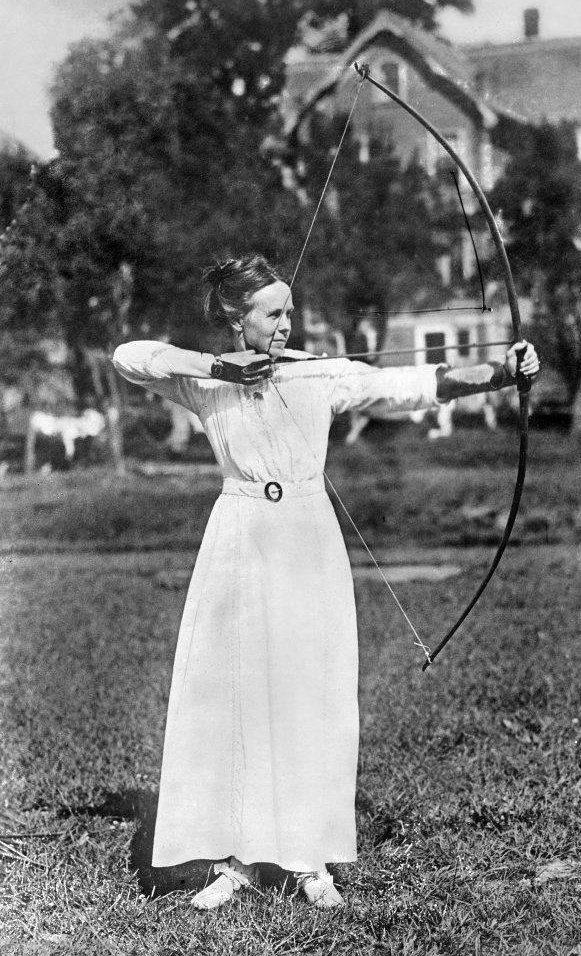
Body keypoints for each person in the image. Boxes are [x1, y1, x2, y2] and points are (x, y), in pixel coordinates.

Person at [112, 254, 540, 911]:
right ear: (235, 318)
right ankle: (238, 863)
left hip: (308, 538)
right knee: (236, 695)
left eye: (290, 311)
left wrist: (503, 372)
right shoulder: (206, 384)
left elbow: (414, 385)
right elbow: (129, 355)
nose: (288, 324)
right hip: (239, 537)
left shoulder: (319, 375)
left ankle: (309, 860)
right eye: (273, 313)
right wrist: (215, 367)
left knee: (311, 695)